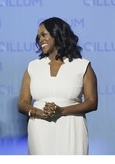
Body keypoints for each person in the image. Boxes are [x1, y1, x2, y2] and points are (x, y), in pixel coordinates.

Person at [18, 17, 98, 155]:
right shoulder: (33, 67)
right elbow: (22, 103)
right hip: (39, 128)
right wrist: (38, 112)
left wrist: (61, 111)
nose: (40, 40)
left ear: (58, 34)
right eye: (38, 37)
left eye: (44, 35)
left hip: (72, 127)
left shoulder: (82, 65)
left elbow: (92, 103)